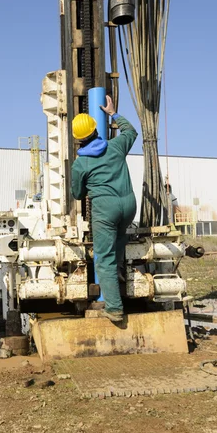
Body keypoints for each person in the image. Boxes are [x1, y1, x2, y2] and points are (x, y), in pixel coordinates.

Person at [71, 96, 138, 322]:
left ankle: (115, 308)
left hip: (105, 211)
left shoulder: (80, 164)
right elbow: (131, 132)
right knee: (119, 238)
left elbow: (77, 194)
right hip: (129, 206)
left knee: (104, 259)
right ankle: (119, 270)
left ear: (77, 139)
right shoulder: (116, 146)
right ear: (95, 129)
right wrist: (113, 113)